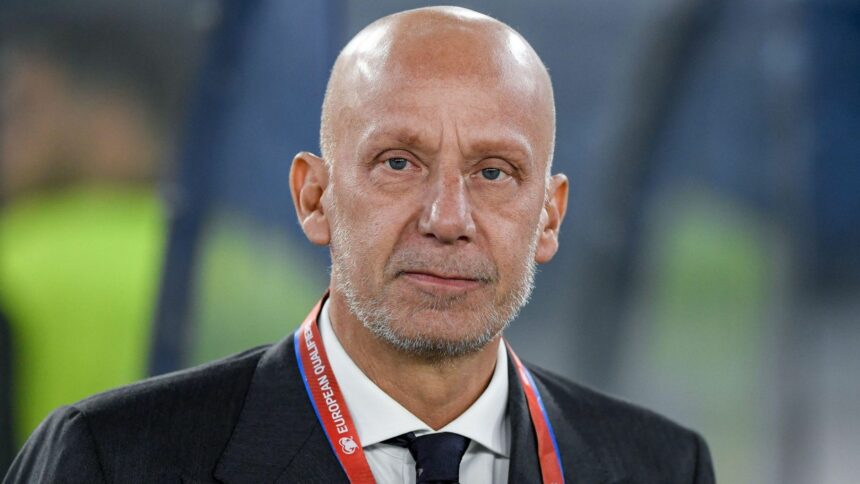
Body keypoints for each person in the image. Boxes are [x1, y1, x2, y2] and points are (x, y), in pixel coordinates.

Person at [5, 7, 715, 483]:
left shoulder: (664, 467)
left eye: (494, 172)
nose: (447, 218)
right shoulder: (111, 458)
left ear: (550, 217)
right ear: (314, 197)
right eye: (398, 163)